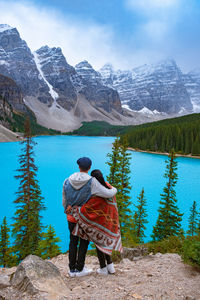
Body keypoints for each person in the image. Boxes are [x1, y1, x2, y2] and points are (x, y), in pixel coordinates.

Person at [62, 157, 117, 277]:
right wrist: (115, 189)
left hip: (71, 217)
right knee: (84, 242)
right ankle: (80, 269)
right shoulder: (92, 182)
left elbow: (64, 199)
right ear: (89, 167)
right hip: (84, 218)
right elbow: (108, 193)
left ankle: (72, 270)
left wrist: (67, 209)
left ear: (79, 167)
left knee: (72, 242)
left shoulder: (67, 180)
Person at [71, 169, 122, 276]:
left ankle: (103, 268)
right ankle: (111, 267)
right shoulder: (109, 187)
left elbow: (88, 208)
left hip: (100, 222)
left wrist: (76, 209)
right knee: (105, 243)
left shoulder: (95, 190)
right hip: (110, 221)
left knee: (99, 243)